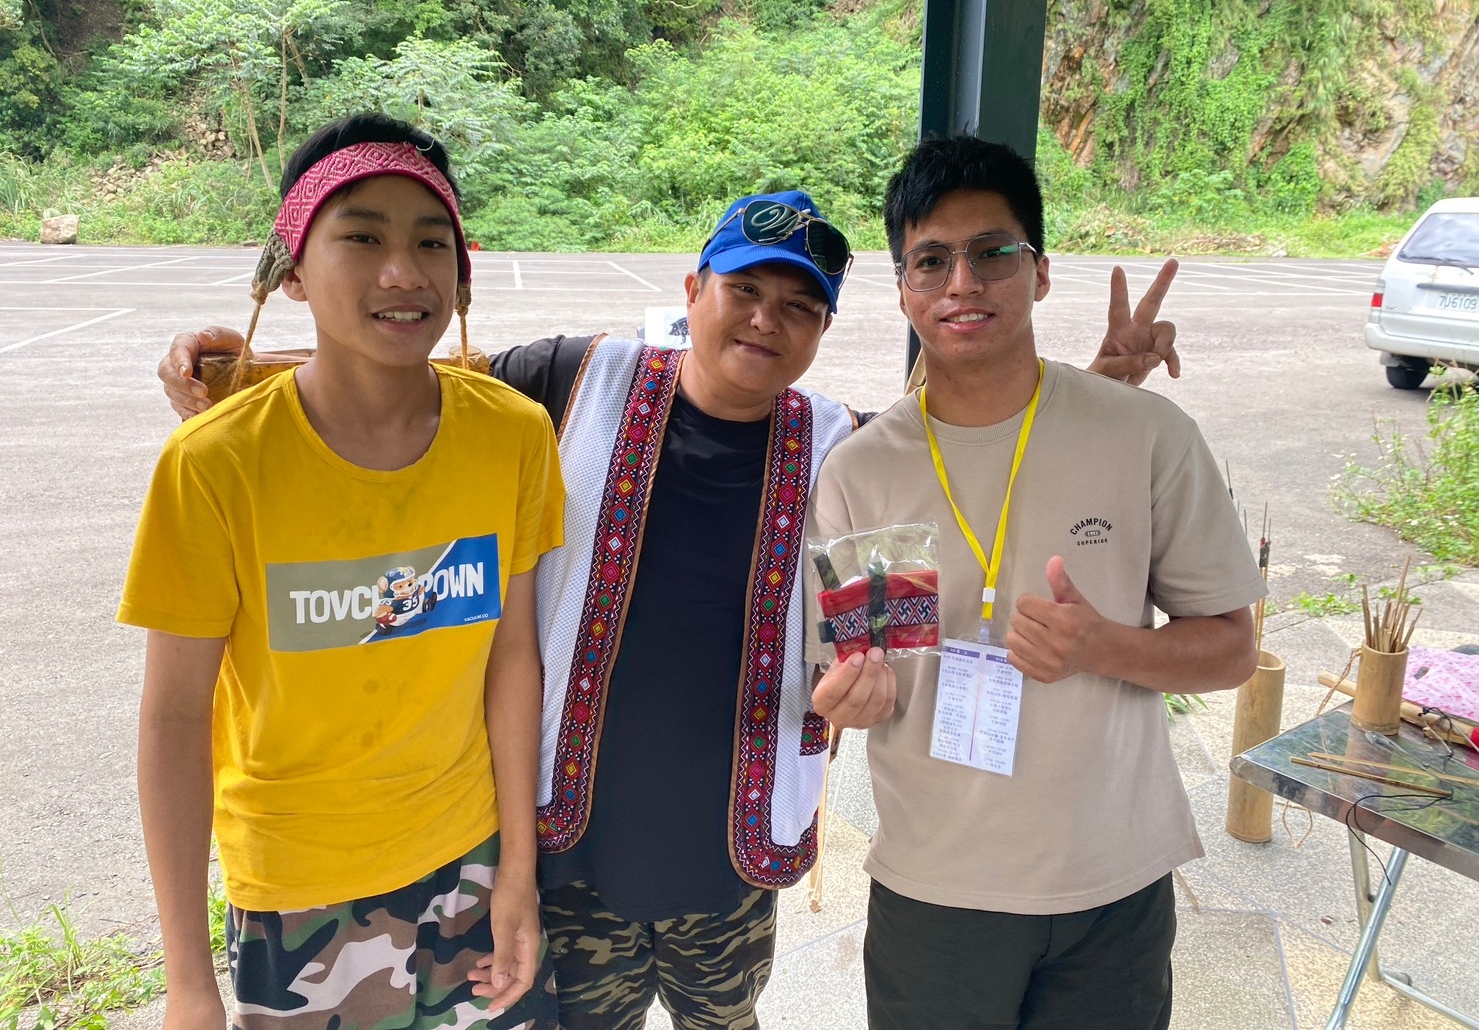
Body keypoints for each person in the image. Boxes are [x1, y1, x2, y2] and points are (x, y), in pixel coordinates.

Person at [156, 184, 1181, 1030]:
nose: (766, 320)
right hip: (569, 851)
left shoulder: (847, 449)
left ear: (823, 328)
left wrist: (1101, 379)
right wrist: (235, 369)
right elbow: (402, 379)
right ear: (694, 289)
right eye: (745, 289)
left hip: (730, 859)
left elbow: (961, 475)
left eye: (800, 306)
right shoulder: (570, 379)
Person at [806, 134, 1265, 1030]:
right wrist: (850, 697)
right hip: (935, 888)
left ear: (1040, 271)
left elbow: (1230, 649)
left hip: (1113, 883)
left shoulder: (1143, 435)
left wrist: (1105, 646)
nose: (961, 283)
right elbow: (861, 663)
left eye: (992, 252)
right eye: (931, 260)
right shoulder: (863, 470)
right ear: (902, 288)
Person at [121, 113, 565, 1030]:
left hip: (472, 865)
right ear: (291, 270)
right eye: (361, 237)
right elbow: (173, 718)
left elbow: (512, 657)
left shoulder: (513, 435)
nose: (402, 272)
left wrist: (518, 875)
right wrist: (188, 980)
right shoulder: (215, 463)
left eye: (431, 242)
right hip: (297, 892)